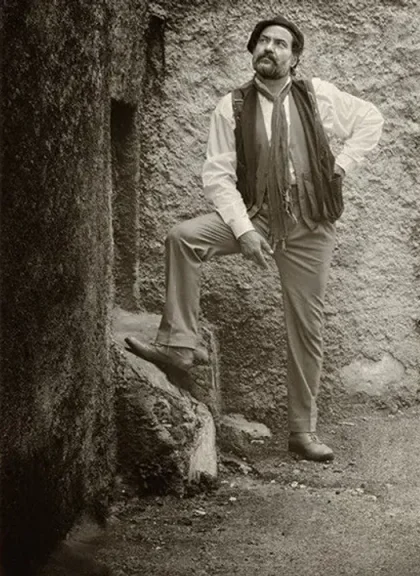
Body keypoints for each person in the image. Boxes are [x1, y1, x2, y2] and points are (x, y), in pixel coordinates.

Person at [125, 16, 384, 462]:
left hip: (309, 222)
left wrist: (340, 165)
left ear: (294, 58)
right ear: (253, 51)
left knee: (307, 327)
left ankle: (302, 432)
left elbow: (370, 119)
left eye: (281, 43)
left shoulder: (317, 95)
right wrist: (244, 230)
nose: (270, 48)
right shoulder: (231, 106)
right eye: (263, 41)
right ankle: (179, 345)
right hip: (257, 215)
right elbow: (218, 176)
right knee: (183, 238)